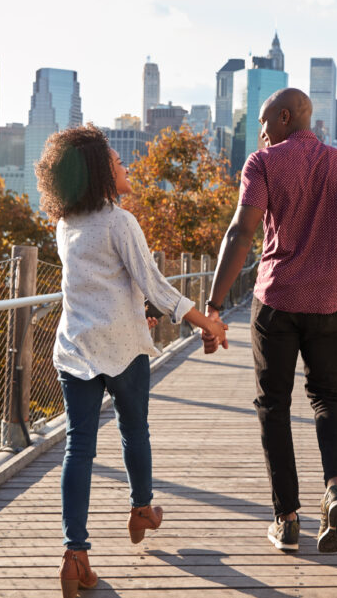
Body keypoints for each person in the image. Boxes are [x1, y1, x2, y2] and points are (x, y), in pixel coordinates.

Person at [35, 125, 228, 597]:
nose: (127, 168)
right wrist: (207, 323)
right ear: (101, 172)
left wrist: (138, 308)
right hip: (122, 350)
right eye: (119, 163)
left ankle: (75, 553)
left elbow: (97, 286)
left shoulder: (66, 225)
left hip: (76, 349)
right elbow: (156, 284)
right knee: (133, 430)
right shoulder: (119, 221)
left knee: (78, 449)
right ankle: (142, 508)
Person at [202, 88, 337, 554]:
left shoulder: (262, 164)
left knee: (273, 406)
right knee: (328, 398)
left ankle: (287, 518)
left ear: (285, 117)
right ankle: (336, 487)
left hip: (277, 300)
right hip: (330, 302)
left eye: (264, 123)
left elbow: (242, 232)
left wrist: (214, 306)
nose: (260, 133)